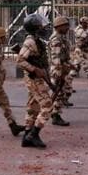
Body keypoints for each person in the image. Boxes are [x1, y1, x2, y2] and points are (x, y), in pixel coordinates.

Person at [17, 14, 53, 149]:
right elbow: (20, 60)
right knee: (48, 105)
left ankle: (27, 136)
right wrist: (35, 69)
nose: (43, 27)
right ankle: (34, 134)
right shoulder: (30, 42)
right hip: (33, 79)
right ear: (34, 28)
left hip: (37, 78)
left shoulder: (36, 40)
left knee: (33, 107)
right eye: (40, 25)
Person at [48, 16, 75, 127]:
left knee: (67, 91)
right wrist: (59, 74)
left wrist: (70, 65)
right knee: (59, 92)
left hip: (64, 68)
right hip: (58, 70)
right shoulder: (56, 40)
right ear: (59, 27)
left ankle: (55, 109)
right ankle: (55, 115)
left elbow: (65, 56)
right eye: (66, 26)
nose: (68, 28)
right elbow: (56, 59)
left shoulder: (62, 38)